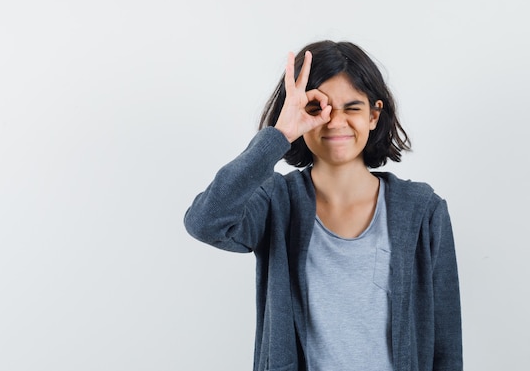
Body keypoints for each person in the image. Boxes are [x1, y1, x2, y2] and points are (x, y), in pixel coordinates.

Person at [184, 40, 462, 371]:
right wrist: (279, 136)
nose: (335, 122)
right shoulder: (276, 202)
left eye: (352, 108)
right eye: (318, 109)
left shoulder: (423, 210)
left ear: (374, 115)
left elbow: (446, 343)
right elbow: (205, 222)